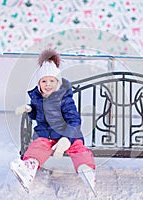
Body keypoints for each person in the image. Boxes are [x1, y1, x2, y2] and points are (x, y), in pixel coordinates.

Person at [10, 49, 96, 192]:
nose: (48, 84)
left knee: (78, 149)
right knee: (38, 146)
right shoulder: (37, 97)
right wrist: (30, 109)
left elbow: (74, 120)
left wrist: (67, 139)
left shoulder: (64, 98)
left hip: (67, 134)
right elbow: (39, 115)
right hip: (46, 135)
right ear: (39, 83)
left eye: (52, 80)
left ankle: (86, 169)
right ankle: (28, 168)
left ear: (58, 82)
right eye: (44, 81)